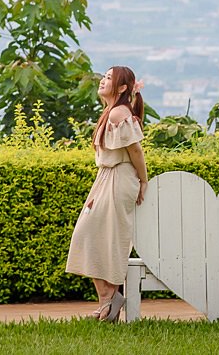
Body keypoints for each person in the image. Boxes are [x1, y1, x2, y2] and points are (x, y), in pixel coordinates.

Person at [65, 65, 150, 322]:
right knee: (90, 235)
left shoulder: (118, 114)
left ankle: (108, 300)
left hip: (119, 178)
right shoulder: (112, 112)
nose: (103, 80)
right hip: (108, 177)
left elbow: (135, 150)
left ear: (122, 88)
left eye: (109, 78)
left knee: (100, 236)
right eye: (105, 76)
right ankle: (109, 299)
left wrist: (143, 180)